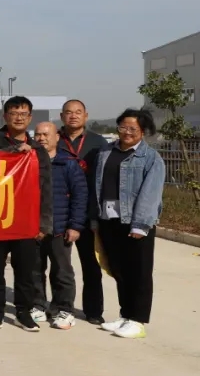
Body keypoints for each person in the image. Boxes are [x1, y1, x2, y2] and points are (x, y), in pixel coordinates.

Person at [0, 96, 54, 332]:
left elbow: (46, 189)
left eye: (23, 114)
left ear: (30, 118)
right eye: (13, 113)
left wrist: (44, 224)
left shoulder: (38, 150)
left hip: (25, 221)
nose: (18, 118)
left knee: (26, 271)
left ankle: (23, 312)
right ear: (5, 116)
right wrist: (14, 151)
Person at [94, 109, 165, 340]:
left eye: (133, 128)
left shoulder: (150, 158)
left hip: (135, 222)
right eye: (123, 127)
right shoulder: (106, 152)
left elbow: (151, 193)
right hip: (109, 219)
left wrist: (140, 224)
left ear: (143, 131)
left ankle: (138, 320)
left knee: (139, 272)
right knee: (119, 269)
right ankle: (125, 314)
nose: (127, 132)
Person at [58, 99, 110, 325]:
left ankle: (93, 311)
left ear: (86, 116)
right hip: (60, 211)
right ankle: (59, 307)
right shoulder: (53, 140)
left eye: (78, 112)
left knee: (91, 265)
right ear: (62, 116)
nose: (73, 116)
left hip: (89, 213)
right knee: (59, 266)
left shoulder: (99, 143)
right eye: (69, 112)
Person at [33, 122, 86, 330]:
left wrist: (75, 226)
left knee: (61, 271)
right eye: (38, 134)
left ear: (57, 137)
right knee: (34, 270)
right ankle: (38, 305)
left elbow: (80, 196)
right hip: (34, 229)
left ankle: (64, 310)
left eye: (46, 134)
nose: (41, 138)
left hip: (60, 228)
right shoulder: (29, 161)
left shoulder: (68, 164)